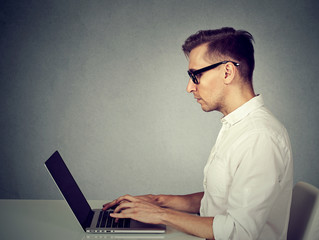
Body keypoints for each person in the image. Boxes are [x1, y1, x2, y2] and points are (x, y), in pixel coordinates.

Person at [103, 27, 293, 240]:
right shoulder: (237, 126)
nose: (189, 87)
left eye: (195, 75)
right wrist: (158, 201)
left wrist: (161, 215)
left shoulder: (259, 137)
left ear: (227, 72)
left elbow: (240, 232)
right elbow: (220, 199)